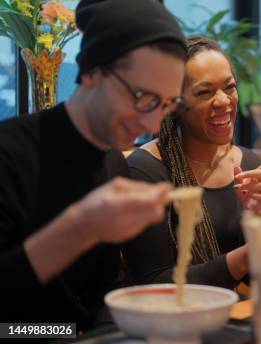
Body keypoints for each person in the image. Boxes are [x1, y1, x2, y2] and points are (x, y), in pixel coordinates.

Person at [0, 0, 188, 330]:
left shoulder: (112, 161)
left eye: (167, 104)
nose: (154, 124)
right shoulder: (9, 154)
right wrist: (81, 227)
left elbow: (102, 295)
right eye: (144, 98)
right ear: (91, 71)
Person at [124, 36, 261, 290]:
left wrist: (256, 221)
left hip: (227, 316)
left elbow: (259, 278)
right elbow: (153, 284)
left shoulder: (247, 163)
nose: (223, 101)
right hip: (166, 324)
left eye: (229, 87)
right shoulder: (145, 171)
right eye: (204, 92)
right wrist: (242, 258)